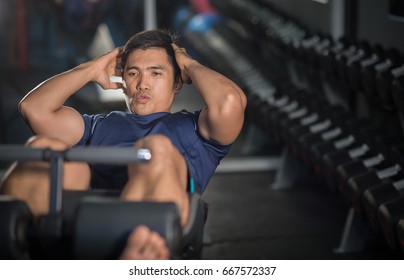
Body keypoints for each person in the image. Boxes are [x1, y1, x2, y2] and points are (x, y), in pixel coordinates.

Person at [0, 29, 246, 259]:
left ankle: (135, 257)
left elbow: (230, 102)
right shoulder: (98, 126)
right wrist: (91, 69)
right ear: (123, 81)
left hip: (156, 232)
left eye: (156, 72)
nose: (142, 83)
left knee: (154, 149)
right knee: (44, 149)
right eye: (133, 73)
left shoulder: (197, 129)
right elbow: (34, 109)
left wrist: (189, 64)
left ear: (178, 82)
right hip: (82, 229)